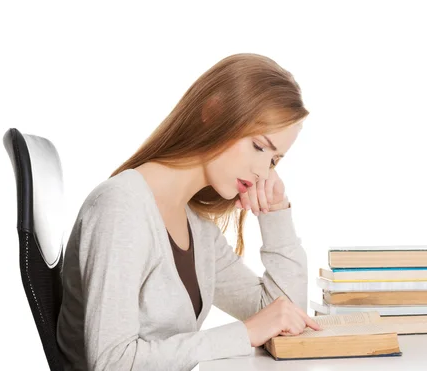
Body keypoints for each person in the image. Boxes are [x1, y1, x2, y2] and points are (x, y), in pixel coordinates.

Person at [56, 53, 321, 371]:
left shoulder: (198, 228)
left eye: (275, 160)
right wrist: (244, 334)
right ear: (214, 111)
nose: (264, 172)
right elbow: (112, 362)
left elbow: (284, 316)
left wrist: (276, 214)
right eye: (259, 147)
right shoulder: (121, 207)